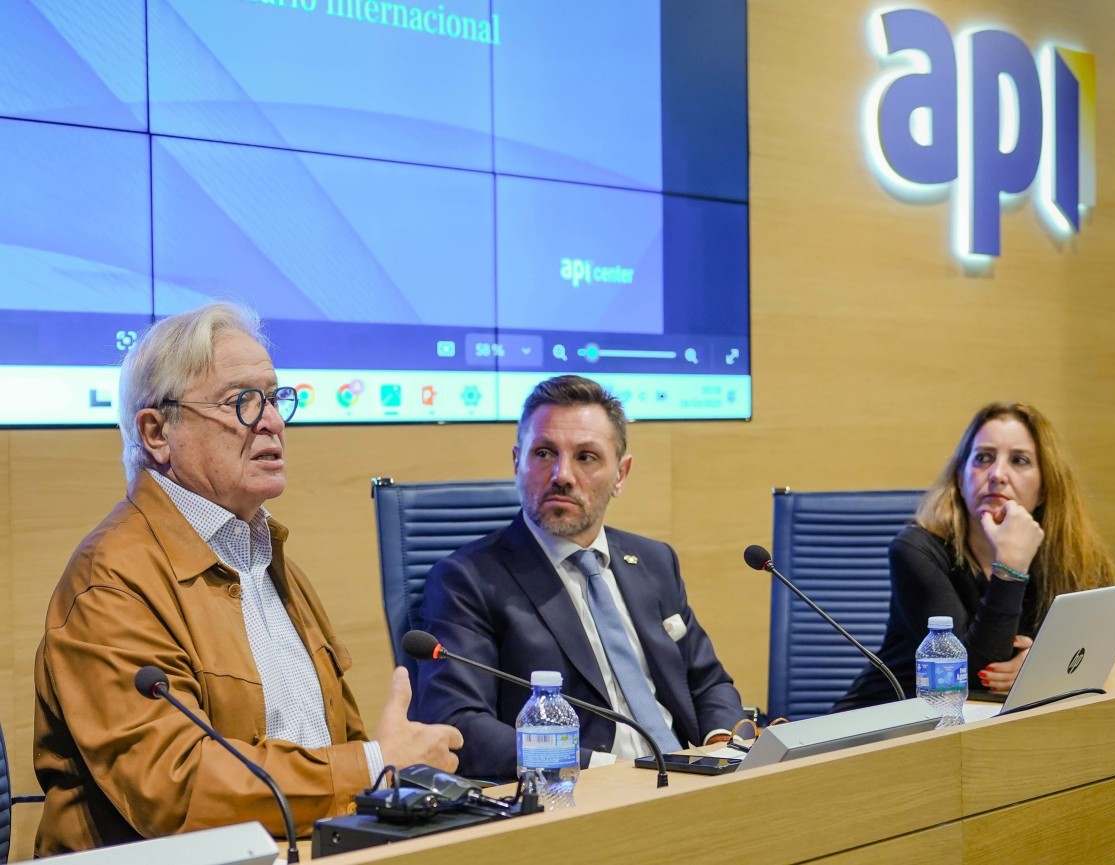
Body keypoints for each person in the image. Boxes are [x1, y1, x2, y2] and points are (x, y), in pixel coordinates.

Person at [32, 302, 462, 854]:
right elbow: (176, 787)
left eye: (277, 399)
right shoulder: (110, 582)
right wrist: (375, 765)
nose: (274, 422)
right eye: (242, 402)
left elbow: (335, 744)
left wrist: (395, 785)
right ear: (157, 432)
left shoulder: (270, 560)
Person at [416, 375, 744, 778]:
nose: (562, 474)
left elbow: (708, 682)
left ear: (621, 474)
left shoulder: (654, 561)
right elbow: (460, 724)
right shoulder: (467, 580)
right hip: (582, 796)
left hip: (692, 780)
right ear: (516, 463)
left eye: (586, 457)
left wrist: (722, 744)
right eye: (543, 453)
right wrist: (604, 768)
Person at [834, 402, 1115, 711]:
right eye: (983, 458)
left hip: (994, 725)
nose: (997, 474)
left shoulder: (1072, 556)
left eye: (1019, 460)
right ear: (960, 476)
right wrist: (1010, 568)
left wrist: (1042, 663)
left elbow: (1086, 650)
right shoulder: (916, 550)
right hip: (885, 724)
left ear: (1046, 488)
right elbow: (965, 676)